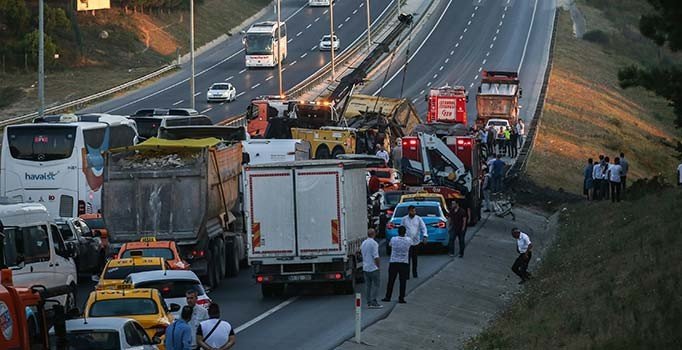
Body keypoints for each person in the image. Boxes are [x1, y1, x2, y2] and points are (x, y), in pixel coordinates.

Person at [381, 226, 411, 304]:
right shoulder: (408, 240)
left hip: (394, 262)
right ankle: (401, 298)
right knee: (403, 281)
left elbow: (390, 245)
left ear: (398, 232)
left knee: (391, 280)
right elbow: (410, 246)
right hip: (404, 263)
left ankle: (388, 297)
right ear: (405, 232)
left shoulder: (393, 239)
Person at [400, 205, 427, 278]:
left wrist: (425, 236)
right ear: (409, 211)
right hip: (407, 242)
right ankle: (407, 274)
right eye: (412, 211)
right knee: (407, 259)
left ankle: (415, 273)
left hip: (416, 242)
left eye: (415, 211)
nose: (414, 212)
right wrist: (402, 238)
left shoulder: (418, 219)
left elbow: (423, 227)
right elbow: (402, 228)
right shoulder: (404, 219)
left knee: (415, 259)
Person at [360, 228, 382, 309]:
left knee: (368, 285)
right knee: (376, 285)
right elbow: (376, 256)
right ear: (374, 234)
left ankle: (369, 302)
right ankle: (374, 301)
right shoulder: (374, 243)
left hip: (365, 267)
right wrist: (378, 266)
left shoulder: (363, 243)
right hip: (373, 267)